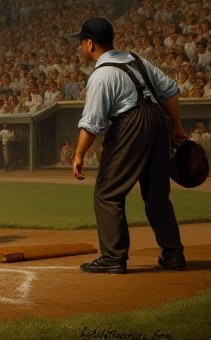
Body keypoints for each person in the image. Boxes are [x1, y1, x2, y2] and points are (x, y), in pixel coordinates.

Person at [70, 17, 186, 274]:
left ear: (90, 44)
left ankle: (113, 258)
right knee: (157, 195)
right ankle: (173, 253)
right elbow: (170, 90)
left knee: (108, 192)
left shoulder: (101, 75)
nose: (81, 47)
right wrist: (176, 126)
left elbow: (91, 124)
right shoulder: (137, 60)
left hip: (132, 123)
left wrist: (79, 154)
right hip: (158, 121)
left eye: (81, 42)